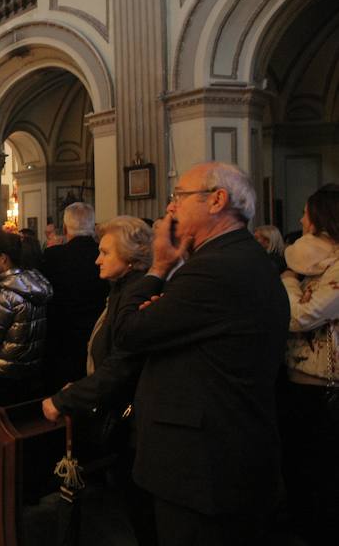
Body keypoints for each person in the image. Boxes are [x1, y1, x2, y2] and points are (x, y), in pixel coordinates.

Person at [110, 162, 289, 546]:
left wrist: (159, 267)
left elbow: (127, 332)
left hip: (202, 468)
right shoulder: (236, 259)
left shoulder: (215, 269)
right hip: (223, 455)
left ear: (217, 200)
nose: (170, 208)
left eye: (179, 197)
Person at [41, 216, 155, 546]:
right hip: (119, 413)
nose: (97, 258)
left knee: (142, 510)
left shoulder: (134, 295)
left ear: (131, 257)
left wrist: (67, 398)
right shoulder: (121, 289)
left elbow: (121, 365)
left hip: (133, 421)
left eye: (105, 252)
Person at [279, 184, 339, 546]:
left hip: (327, 390)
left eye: (305, 213)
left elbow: (302, 316)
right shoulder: (301, 262)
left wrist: (286, 283)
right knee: (298, 466)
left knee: (325, 472)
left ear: (320, 219)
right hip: (295, 381)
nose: (300, 220)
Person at [39, 202, 109, 391]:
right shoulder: (104, 254)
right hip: (97, 334)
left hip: (62, 335)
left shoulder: (53, 256)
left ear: (65, 227)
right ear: (93, 227)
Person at [0, 231, 52, 405]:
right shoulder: (35, 281)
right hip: (31, 365)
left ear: (4, 258)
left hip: (6, 369)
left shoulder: (5, 293)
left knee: (3, 417)